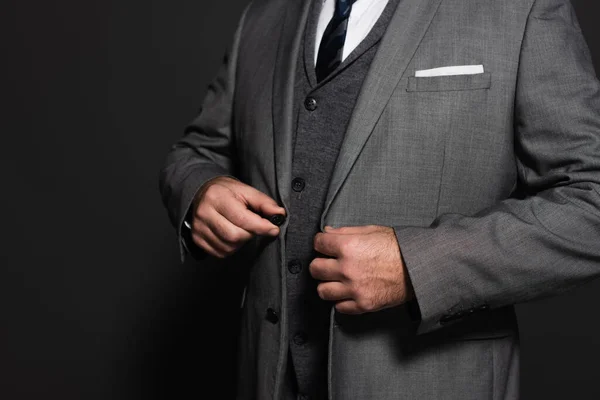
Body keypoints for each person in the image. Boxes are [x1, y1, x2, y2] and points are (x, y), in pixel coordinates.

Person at [158, 0, 600, 398]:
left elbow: (591, 204)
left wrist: (416, 266)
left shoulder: (519, 8)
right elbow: (199, 150)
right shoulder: (264, 16)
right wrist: (200, 191)